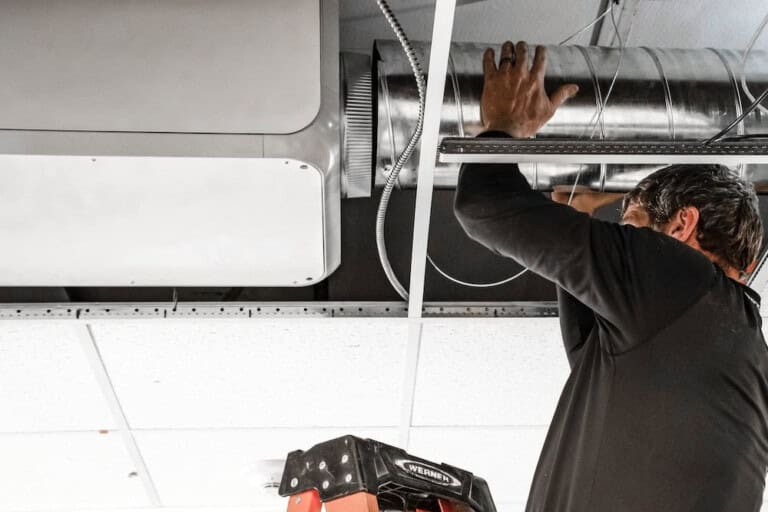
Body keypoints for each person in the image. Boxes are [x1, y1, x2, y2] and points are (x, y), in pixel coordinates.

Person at [454, 40, 768, 511]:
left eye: (633, 228)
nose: (628, 242)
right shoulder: (744, 356)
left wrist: (505, 128)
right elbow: (590, 352)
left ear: (682, 225)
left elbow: (484, 206)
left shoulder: (673, 277)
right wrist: (575, 218)